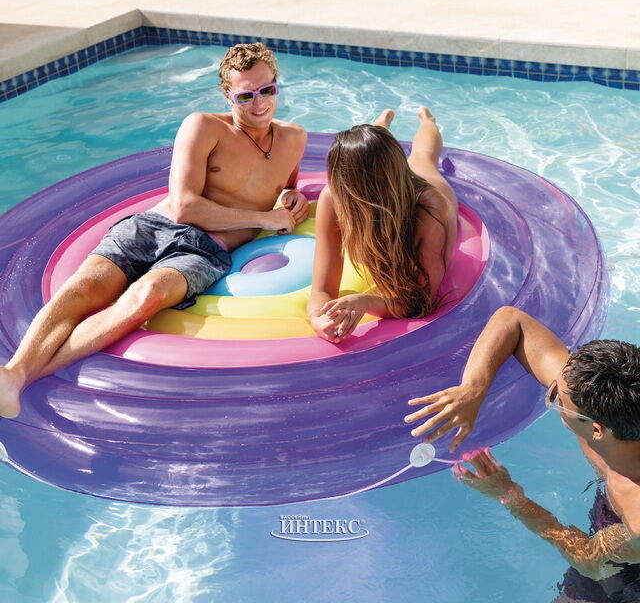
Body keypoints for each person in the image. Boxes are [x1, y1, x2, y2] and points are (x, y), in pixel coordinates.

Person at [0, 42, 308, 419]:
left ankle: (22, 380)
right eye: (246, 96)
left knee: (147, 296)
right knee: (85, 288)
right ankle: (14, 373)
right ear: (227, 94)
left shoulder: (294, 138)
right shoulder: (204, 126)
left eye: (267, 90)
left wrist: (291, 196)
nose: (259, 103)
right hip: (154, 226)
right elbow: (183, 207)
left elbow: (284, 185)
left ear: (277, 84)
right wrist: (264, 219)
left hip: (205, 249)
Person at [404, 306, 640, 598]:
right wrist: (473, 389)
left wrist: (510, 495)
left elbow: (590, 560)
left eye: (555, 398)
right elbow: (512, 320)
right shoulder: (602, 395)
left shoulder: (637, 514)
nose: (552, 392)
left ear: (596, 429)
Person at [308, 107, 458, 342]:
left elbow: (422, 301)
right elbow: (322, 289)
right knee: (369, 146)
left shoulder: (429, 209)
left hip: (419, 189)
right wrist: (319, 318)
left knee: (423, 156)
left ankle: (427, 120)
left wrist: (366, 301)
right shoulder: (333, 197)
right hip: (390, 179)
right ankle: (382, 123)